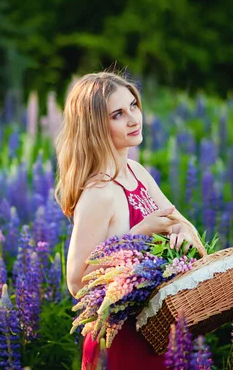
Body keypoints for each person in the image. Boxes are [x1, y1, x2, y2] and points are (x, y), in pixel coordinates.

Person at [55, 71, 204, 370]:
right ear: (96, 126)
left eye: (134, 105)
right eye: (118, 114)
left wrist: (181, 232)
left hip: (161, 332)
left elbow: (186, 226)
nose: (134, 118)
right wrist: (138, 235)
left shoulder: (137, 173)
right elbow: (76, 280)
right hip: (121, 342)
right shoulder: (99, 191)